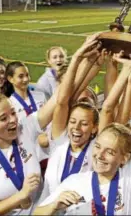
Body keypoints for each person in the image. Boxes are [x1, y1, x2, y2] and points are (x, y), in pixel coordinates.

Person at [0, 39, 97, 216]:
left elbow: (60, 97)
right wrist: (21, 196)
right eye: (4, 118)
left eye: (13, 113)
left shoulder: (24, 128)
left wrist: (79, 58)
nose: (13, 120)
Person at [33, 55, 131, 215]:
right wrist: (53, 206)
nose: (99, 155)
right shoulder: (75, 181)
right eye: (98, 147)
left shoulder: (130, 178)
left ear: (124, 158)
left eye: (110, 152)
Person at [40, 34, 103, 201]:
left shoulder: (97, 147)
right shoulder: (61, 140)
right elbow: (62, 101)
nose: (76, 128)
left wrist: (99, 64)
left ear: (94, 128)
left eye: (84, 123)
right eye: (73, 122)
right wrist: (79, 58)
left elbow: (109, 107)